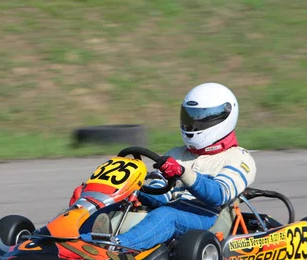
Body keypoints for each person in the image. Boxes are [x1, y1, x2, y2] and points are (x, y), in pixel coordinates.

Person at [76, 82, 257, 251]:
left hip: (207, 217)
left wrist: (183, 173)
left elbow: (218, 195)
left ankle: (117, 247)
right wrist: (128, 191)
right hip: (172, 207)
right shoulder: (177, 154)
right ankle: (73, 238)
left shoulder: (239, 158)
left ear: (223, 117)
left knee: (167, 215)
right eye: (190, 116)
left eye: (201, 118)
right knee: (115, 202)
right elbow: (160, 192)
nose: (193, 124)